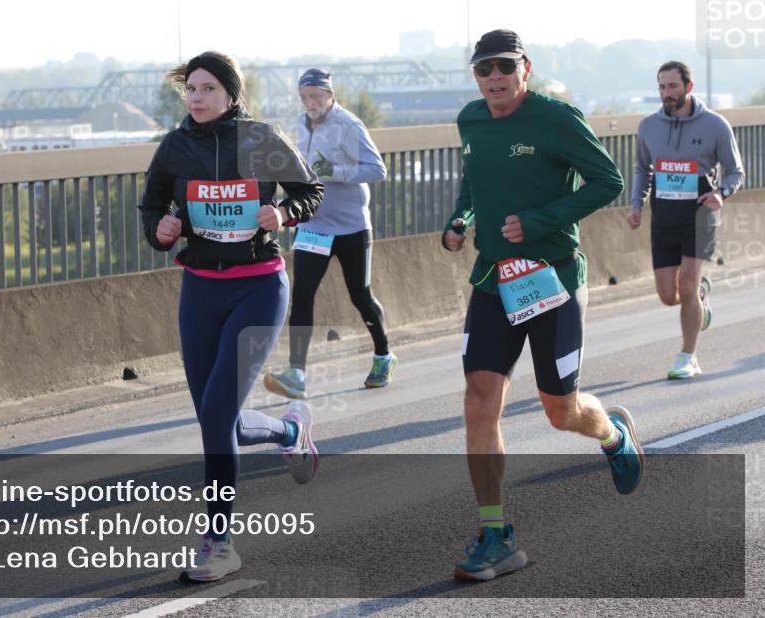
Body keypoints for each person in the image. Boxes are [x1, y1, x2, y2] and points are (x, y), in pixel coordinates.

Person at [442, 29, 643, 582]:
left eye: (505, 66)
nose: (495, 78)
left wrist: (541, 220)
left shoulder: (556, 118)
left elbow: (609, 180)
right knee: (479, 402)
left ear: (524, 68)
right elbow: (472, 181)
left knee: (561, 411)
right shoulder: (471, 120)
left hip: (552, 279)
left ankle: (611, 433)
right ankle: (496, 534)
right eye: (484, 69)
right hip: (494, 280)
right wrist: (461, 219)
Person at [139, 51, 324, 583]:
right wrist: (161, 232)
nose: (196, 98)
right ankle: (290, 430)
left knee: (218, 416)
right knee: (218, 419)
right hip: (200, 289)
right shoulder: (174, 147)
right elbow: (150, 210)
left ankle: (219, 543)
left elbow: (309, 191)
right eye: (190, 89)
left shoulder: (261, 140)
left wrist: (283, 212)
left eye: (207, 88)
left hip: (259, 287)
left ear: (230, 94)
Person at [263, 68, 394, 400]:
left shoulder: (348, 125)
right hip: (314, 226)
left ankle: (383, 354)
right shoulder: (298, 124)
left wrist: (336, 171)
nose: (310, 103)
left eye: (316, 96)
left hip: (351, 227)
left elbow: (377, 169)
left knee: (359, 295)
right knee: (303, 294)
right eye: (304, 97)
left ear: (329, 95)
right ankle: (296, 373)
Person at [627, 61, 745, 379]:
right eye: (662, 87)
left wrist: (721, 193)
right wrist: (635, 204)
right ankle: (700, 302)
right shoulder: (648, 125)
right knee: (669, 295)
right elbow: (642, 169)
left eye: (672, 87)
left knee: (687, 285)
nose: (666, 93)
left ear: (688, 87)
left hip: (700, 216)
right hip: (663, 216)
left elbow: (736, 171)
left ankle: (688, 356)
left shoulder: (715, 125)